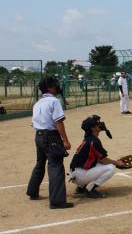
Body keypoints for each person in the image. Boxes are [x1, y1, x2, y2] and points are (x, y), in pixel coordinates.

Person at [26, 76, 73, 209]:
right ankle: (57, 201)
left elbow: (34, 122)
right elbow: (58, 122)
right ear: (49, 88)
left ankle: (32, 192)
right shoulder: (54, 101)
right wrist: (65, 140)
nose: (57, 87)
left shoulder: (38, 103)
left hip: (39, 135)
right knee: (56, 165)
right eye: (54, 85)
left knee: (40, 163)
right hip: (51, 136)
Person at [68, 115, 123, 198]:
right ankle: (90, 189)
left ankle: (80, 187)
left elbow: (97, 159)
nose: (100, 124)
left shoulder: (88, 139)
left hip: (76, 173)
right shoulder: (94, 141)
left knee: (98, 163)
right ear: (92, 128)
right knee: (111, 167)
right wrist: (117, 163)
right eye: (97, 124)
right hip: (79, 175)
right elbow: (103, 160)